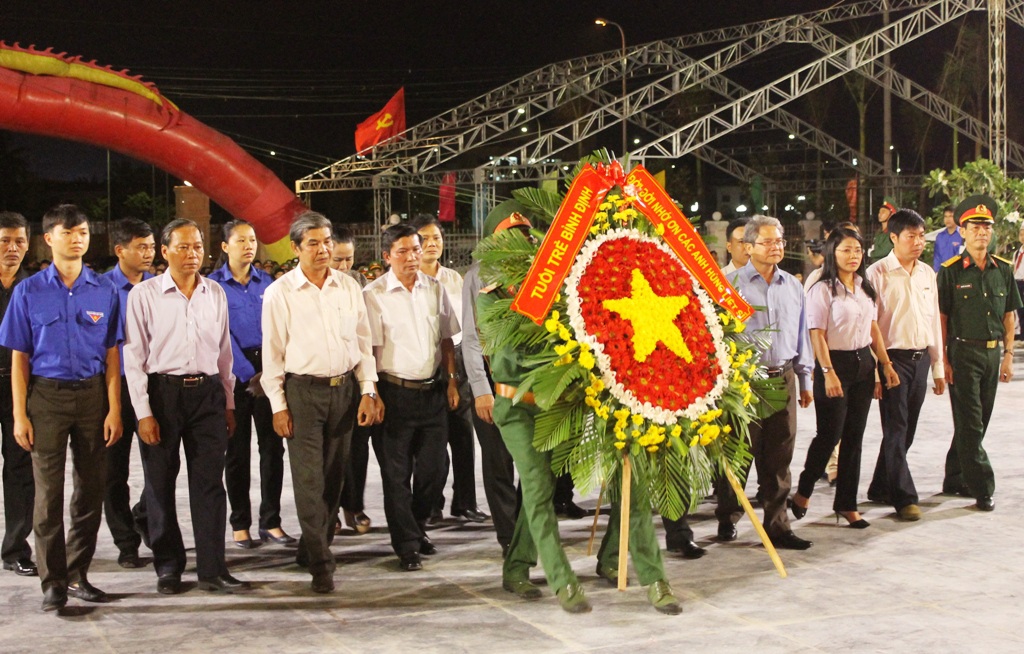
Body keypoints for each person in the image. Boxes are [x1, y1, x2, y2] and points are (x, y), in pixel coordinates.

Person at [0, 204, 122, 611]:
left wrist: (114, 408)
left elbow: (112, 355)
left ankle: (77, 574)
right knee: (48, 495)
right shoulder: (28, 291)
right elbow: (19, 357)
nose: (77, 238)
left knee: (90, 491)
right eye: (68, 232)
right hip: (46, 398)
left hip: (92, 398)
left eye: (83, 232)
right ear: (48, 238)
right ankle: (52, 582)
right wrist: (20, 414)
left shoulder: (104, 290)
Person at [123, 218, 245, 596]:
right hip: (162, 395)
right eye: (183, 247)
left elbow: (224, 353)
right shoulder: (143, 296)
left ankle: (213, 568)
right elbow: (134, 357)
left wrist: (228, 402)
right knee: (160, 484)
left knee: (210, 484)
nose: (192, 254)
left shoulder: (215, 294)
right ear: (164, 252)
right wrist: (143, 413)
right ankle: (169, 566)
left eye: (197, 247)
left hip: (207, 394)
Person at [261, 211, 379, 592]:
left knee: (333, 478)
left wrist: (368, 389)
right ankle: (322, 564)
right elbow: (273, 355)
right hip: (302, 394)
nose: (323, 249)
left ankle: (312, 547)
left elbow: (362, 344)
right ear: (296, 249)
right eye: (313, 243)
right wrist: (278, 405)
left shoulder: (348, 287)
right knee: (309, 481)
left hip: (344, 391)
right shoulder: (280, 293)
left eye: (327, 241)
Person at [363, 223, 460, 572]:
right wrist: (371, 392)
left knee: (434, 472)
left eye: (416, 250)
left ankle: (417, 528)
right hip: (393, 394)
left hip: (432, 392)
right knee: (396, 476)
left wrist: (451, 381)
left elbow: (447, 339)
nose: (411, 257)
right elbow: (368, 351)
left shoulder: (435, 289)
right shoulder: (372, 295)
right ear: (387, 256)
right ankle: (406, 544)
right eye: (402, 251)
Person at [716, 215, 815, 550]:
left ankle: (777, 525)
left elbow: (801, 333)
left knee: (779, 456)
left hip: (783, 377)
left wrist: (804, 379)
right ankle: (728, 516)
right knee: (740, 454)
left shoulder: (794, 286)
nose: (776, 247)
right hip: (746, 382)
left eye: (780, 241)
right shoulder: (732, 287)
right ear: (748, 247)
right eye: (768, 242)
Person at [790, 227, 899, 529]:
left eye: (857, 251)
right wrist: (827, 373)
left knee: (855, 436)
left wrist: (884, 365)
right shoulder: (822, 289)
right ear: (831, 253)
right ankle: (804, 489)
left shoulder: (865, 287)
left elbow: (873, 328)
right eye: (845, 250)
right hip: (833, 364)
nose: (853, 256)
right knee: (830, 435)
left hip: (863, 362)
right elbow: (817, 334)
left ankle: (847, 505)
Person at [208, 220, 294, 549]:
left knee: (273, 450)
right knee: (237, 452)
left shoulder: (268, 284)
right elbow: (218, 334)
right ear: (225, 246)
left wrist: (271, 371)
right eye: (241, 240)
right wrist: (247, 374)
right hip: (233, 374)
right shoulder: (214, 286)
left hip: (270, 370)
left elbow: (280, 328)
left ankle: (271, 521)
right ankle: (240, 523)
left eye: (253, 239)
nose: (249, 245)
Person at [937, 195, 1021, 512]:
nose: (982, 233)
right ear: (963, 232)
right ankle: (982, 486)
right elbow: (942, 318)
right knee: (971, 423)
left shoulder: (1003, 269)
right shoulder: (951, 271)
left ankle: (954, 477)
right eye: (975, 227)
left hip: (992, 355)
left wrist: (1009, 355)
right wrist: (942, 360)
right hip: (962, 353)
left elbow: (1009, 316)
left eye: (986, 227)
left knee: (978, 422)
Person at [461, 206, 535, 557]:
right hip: (494, 383)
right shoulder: (476, 276)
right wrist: (480, 390)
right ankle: (509, 537)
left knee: (533, 464)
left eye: (523, 234)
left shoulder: (540, 272)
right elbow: (472, 337)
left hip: (535, 382)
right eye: (510, 234)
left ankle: (526, 528)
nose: (519, 241)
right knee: (498, 463)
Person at [864, 209, 946, 521]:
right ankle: (904, 497)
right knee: (895, 428)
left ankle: (880, 486)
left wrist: (937, 365)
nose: (918, 242)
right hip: (892, 361)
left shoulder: (927, 273)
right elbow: (869, 324)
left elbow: (933, 321)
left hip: (920, 360)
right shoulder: (877, 273)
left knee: (907, 430)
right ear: (893, 237)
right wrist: (878, 367)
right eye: (910, 236)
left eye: (921, 236)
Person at [412, 215, 488, 524]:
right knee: (432, 441)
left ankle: (465, 502)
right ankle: (431, 504)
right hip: (426, 362)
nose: (432, 244)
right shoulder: (409, 280)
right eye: (425, 238)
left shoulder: (455, 279)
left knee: (463, 436)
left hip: (458, 358)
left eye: (436, 238)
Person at [103, 218, 154, 569]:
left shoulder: (160, 286)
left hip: (154, 387)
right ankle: (125, 541)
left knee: (162, 466)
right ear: (120, 250)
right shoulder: (101, 289)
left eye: (152, 246)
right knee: (113, 470)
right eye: (142, 246)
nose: (149, 252)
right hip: (115, 388)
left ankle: (146, 516)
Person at [330, 226, 374, 535]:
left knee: (357, 449)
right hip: (321, 379)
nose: (344, 267)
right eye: (338, 260)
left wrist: (369, 385)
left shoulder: (360, 284)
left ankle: (354, 505)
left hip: (356, 377)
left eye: (349, 260)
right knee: (328, 453)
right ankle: (330, 508)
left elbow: (366, 336)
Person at [0, 212, 35, 578]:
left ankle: (15, 548)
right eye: (5, 241)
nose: (12, 248)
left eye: (19, 241)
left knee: (20, 468)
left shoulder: (32, 286)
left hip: (19, 387)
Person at [933, 207, 963, 272]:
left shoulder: (962, 235)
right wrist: (937, 272)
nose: (948, 219)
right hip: (941, 273)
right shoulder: (940, 236)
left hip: (957, 273)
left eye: (950, 216)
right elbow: (937, 257)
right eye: (945, 216)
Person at [869, 199, 897, 263]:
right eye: (879, 212)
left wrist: (871, 253)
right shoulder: (879, 232)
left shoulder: (892, 232)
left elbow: (885, 250)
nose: (880, 214)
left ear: (891, 214)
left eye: (883, 212)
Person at [1012, 224, 1024, 340]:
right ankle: (1022, 335)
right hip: (1018, 283)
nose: (1023, 237)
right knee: (1020, 310)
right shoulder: (1017, 253)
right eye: (1021, 234)